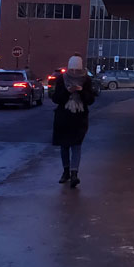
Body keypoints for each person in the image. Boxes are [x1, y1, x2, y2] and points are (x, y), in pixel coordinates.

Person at [51, 54, 94, 188]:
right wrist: (68, 92)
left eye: (77, 70)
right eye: (73, 69)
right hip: (64, 116)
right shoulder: (61, 80)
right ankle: (66, 171)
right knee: (64, 145)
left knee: (76, 145)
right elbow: (56, 98)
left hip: (79, 117)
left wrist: (81, 92)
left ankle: (74, 173)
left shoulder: (86, 80)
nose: (75, 73)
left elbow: (90, 100)